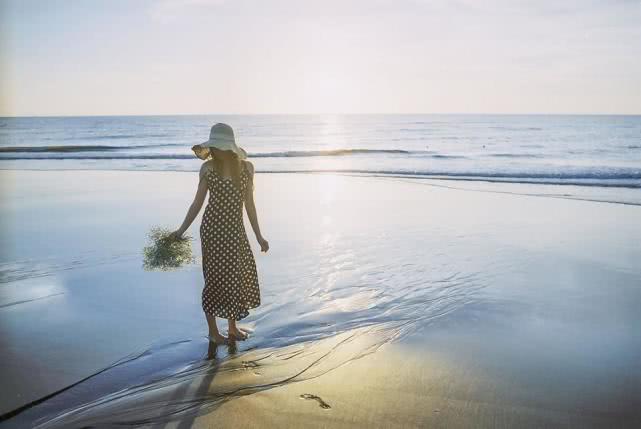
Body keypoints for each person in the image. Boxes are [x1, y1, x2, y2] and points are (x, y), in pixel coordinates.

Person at [170, 123, 269, 344]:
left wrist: (259, 236)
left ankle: (232, 328)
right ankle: (214, 333)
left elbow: (250, 206)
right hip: (213, 232)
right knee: (214, 279)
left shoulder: (247, 168)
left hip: (235, 232)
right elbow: (197, 203)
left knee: (235, 276)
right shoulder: (208, 169)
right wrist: (181, 230)